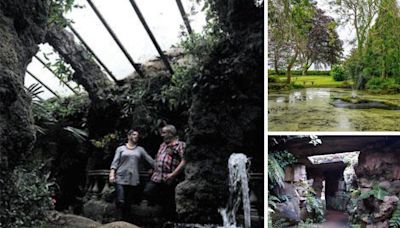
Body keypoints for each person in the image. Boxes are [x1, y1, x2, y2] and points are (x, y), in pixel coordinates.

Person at [109, 129, 155, 222]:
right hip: (120, 177)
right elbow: (115, 162)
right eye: (134, 135)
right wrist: (112, 174)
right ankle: (118, 220)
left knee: (128, 202)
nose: (136, 137)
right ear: (129, 136)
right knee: (120, 199)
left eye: (137, 135)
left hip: (133, 179)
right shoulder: (121, 149)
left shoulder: (140, 150)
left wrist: (155, 168)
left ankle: (124, 221)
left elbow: (151, 161)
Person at [144, 124, 186, 220]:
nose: (162, 135)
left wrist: (173, 175)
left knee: (169, 202)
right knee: (148, 191)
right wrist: (153, 168)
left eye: (164, 133)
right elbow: (158, 158)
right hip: (157, 176)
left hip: (170, 177)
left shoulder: (180, 145)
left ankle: (168, 221)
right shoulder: (162, 145)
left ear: (170, 133)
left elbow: (184, 161)